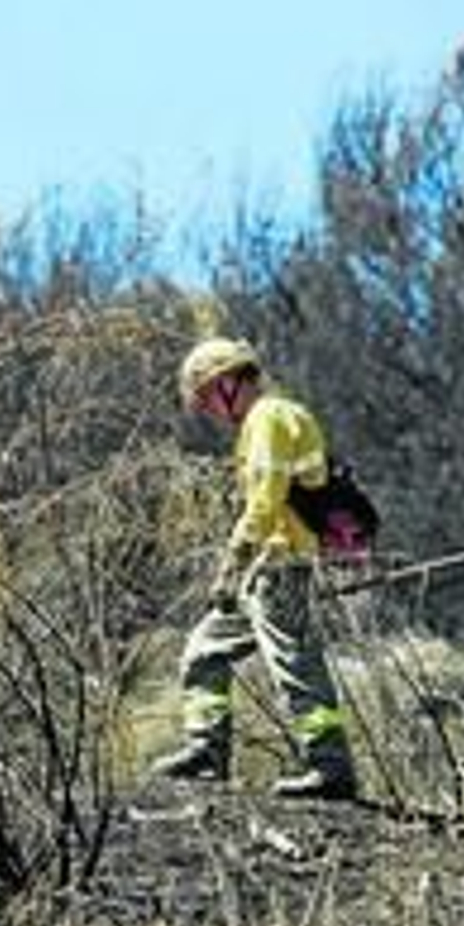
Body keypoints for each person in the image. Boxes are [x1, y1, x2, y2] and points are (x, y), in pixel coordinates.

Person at [152, 338, 359, 800]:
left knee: (294, 664)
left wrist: (232, 563)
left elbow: (264, 503)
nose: (204, 409)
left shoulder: (269, 418)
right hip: (263, 570)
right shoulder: (264, 423)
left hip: (280, 567)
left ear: (229, 382)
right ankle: (207, 751)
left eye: (205, 396)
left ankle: (331, 767)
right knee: (204, 651)